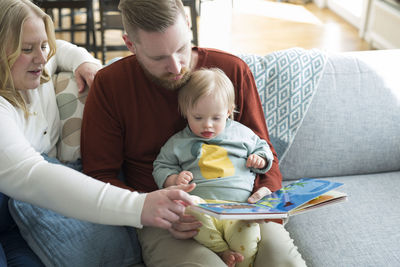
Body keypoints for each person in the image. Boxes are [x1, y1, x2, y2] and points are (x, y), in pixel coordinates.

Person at [81, 0, 307, 266]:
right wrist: (150, 210)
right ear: (130, 44)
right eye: (158, 58)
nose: (176, 67)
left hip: (243, 207)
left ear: (188, 26)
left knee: (282, 261)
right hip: (164, 219)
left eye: (181, 49)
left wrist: (265, 193)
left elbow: (263, 150)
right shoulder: (111, 85)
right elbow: (99, 175)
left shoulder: (232, 71)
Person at [0, 0, 195, 266]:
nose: (42, 58)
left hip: (28, 209)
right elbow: (33, 176)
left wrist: (86, 63)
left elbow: (62, 52)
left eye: (43, 45)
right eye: (27, 49)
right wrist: (139, 206)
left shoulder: (35, 67)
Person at [153, 67, 276, 267]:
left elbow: (264, 148)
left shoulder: (242, 134)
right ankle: (221, 250)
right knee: (188, 206)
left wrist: (260, 159)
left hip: (239, 209)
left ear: (228, 112)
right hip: (203, 206)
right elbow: (161, 165)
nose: (207, 125)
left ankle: (242, 262)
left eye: (216, 118)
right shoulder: (178, 142)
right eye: (198, 118)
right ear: (186, 113)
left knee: (249, 232)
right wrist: (173, 180)